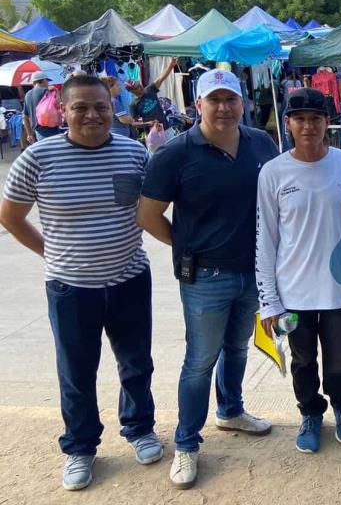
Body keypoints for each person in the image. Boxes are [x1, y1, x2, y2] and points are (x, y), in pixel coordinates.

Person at [0, 74, 161, 491]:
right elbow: (10, 216)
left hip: (129, 279)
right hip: (71, 289)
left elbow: (149, 208)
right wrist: (50, 255)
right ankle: (80, 447)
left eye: (101, 106)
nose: (92, 114)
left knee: (136, 363)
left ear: (112, 108)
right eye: (81, 107)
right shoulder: (38, 158)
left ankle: (140, 428)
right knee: (76, 373)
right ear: (63, 109)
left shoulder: (132, 154)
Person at [136, 69, 279, 490]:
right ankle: (186, 443)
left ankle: (231, 410)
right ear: (197, 105)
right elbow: (147, 215)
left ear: (242, 103)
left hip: (254, 271)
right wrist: (185, 248)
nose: (223, 108)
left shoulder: (261, 143)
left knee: (237, 347)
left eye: (230, 99)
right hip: (205, 276)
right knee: (199, 361)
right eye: (213, 100)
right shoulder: (175, 154)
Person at [255, 88, 341, 453]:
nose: (308, 126)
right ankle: (310, 413)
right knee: (303, 360)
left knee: (339, 359)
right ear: (287, 123)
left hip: (338, 287)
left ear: (327, 123)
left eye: (316, 118)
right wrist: (269, 301)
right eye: (300, 118)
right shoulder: (273, 172)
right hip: (292, 292)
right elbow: (266, 239)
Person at [128, 57, 178, 139]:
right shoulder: (133, 104)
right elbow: (134, 123)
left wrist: (171, 65)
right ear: (132, 91)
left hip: (166, 128)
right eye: (137, 87)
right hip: (153, 134)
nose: (141, 87)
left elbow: (160, 79)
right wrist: (148, 123)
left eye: (139, 84)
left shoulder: (149, 90)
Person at [22, 71, 60, 146]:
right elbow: (58, 105)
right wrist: (56, 91)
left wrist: (29, 134)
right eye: (47, 81)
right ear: (42, 81)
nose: (48, 83)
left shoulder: (27, 94)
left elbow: (25, 117)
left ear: (33, 83)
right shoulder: (46, 92)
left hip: (37, 131)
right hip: (50, 129)